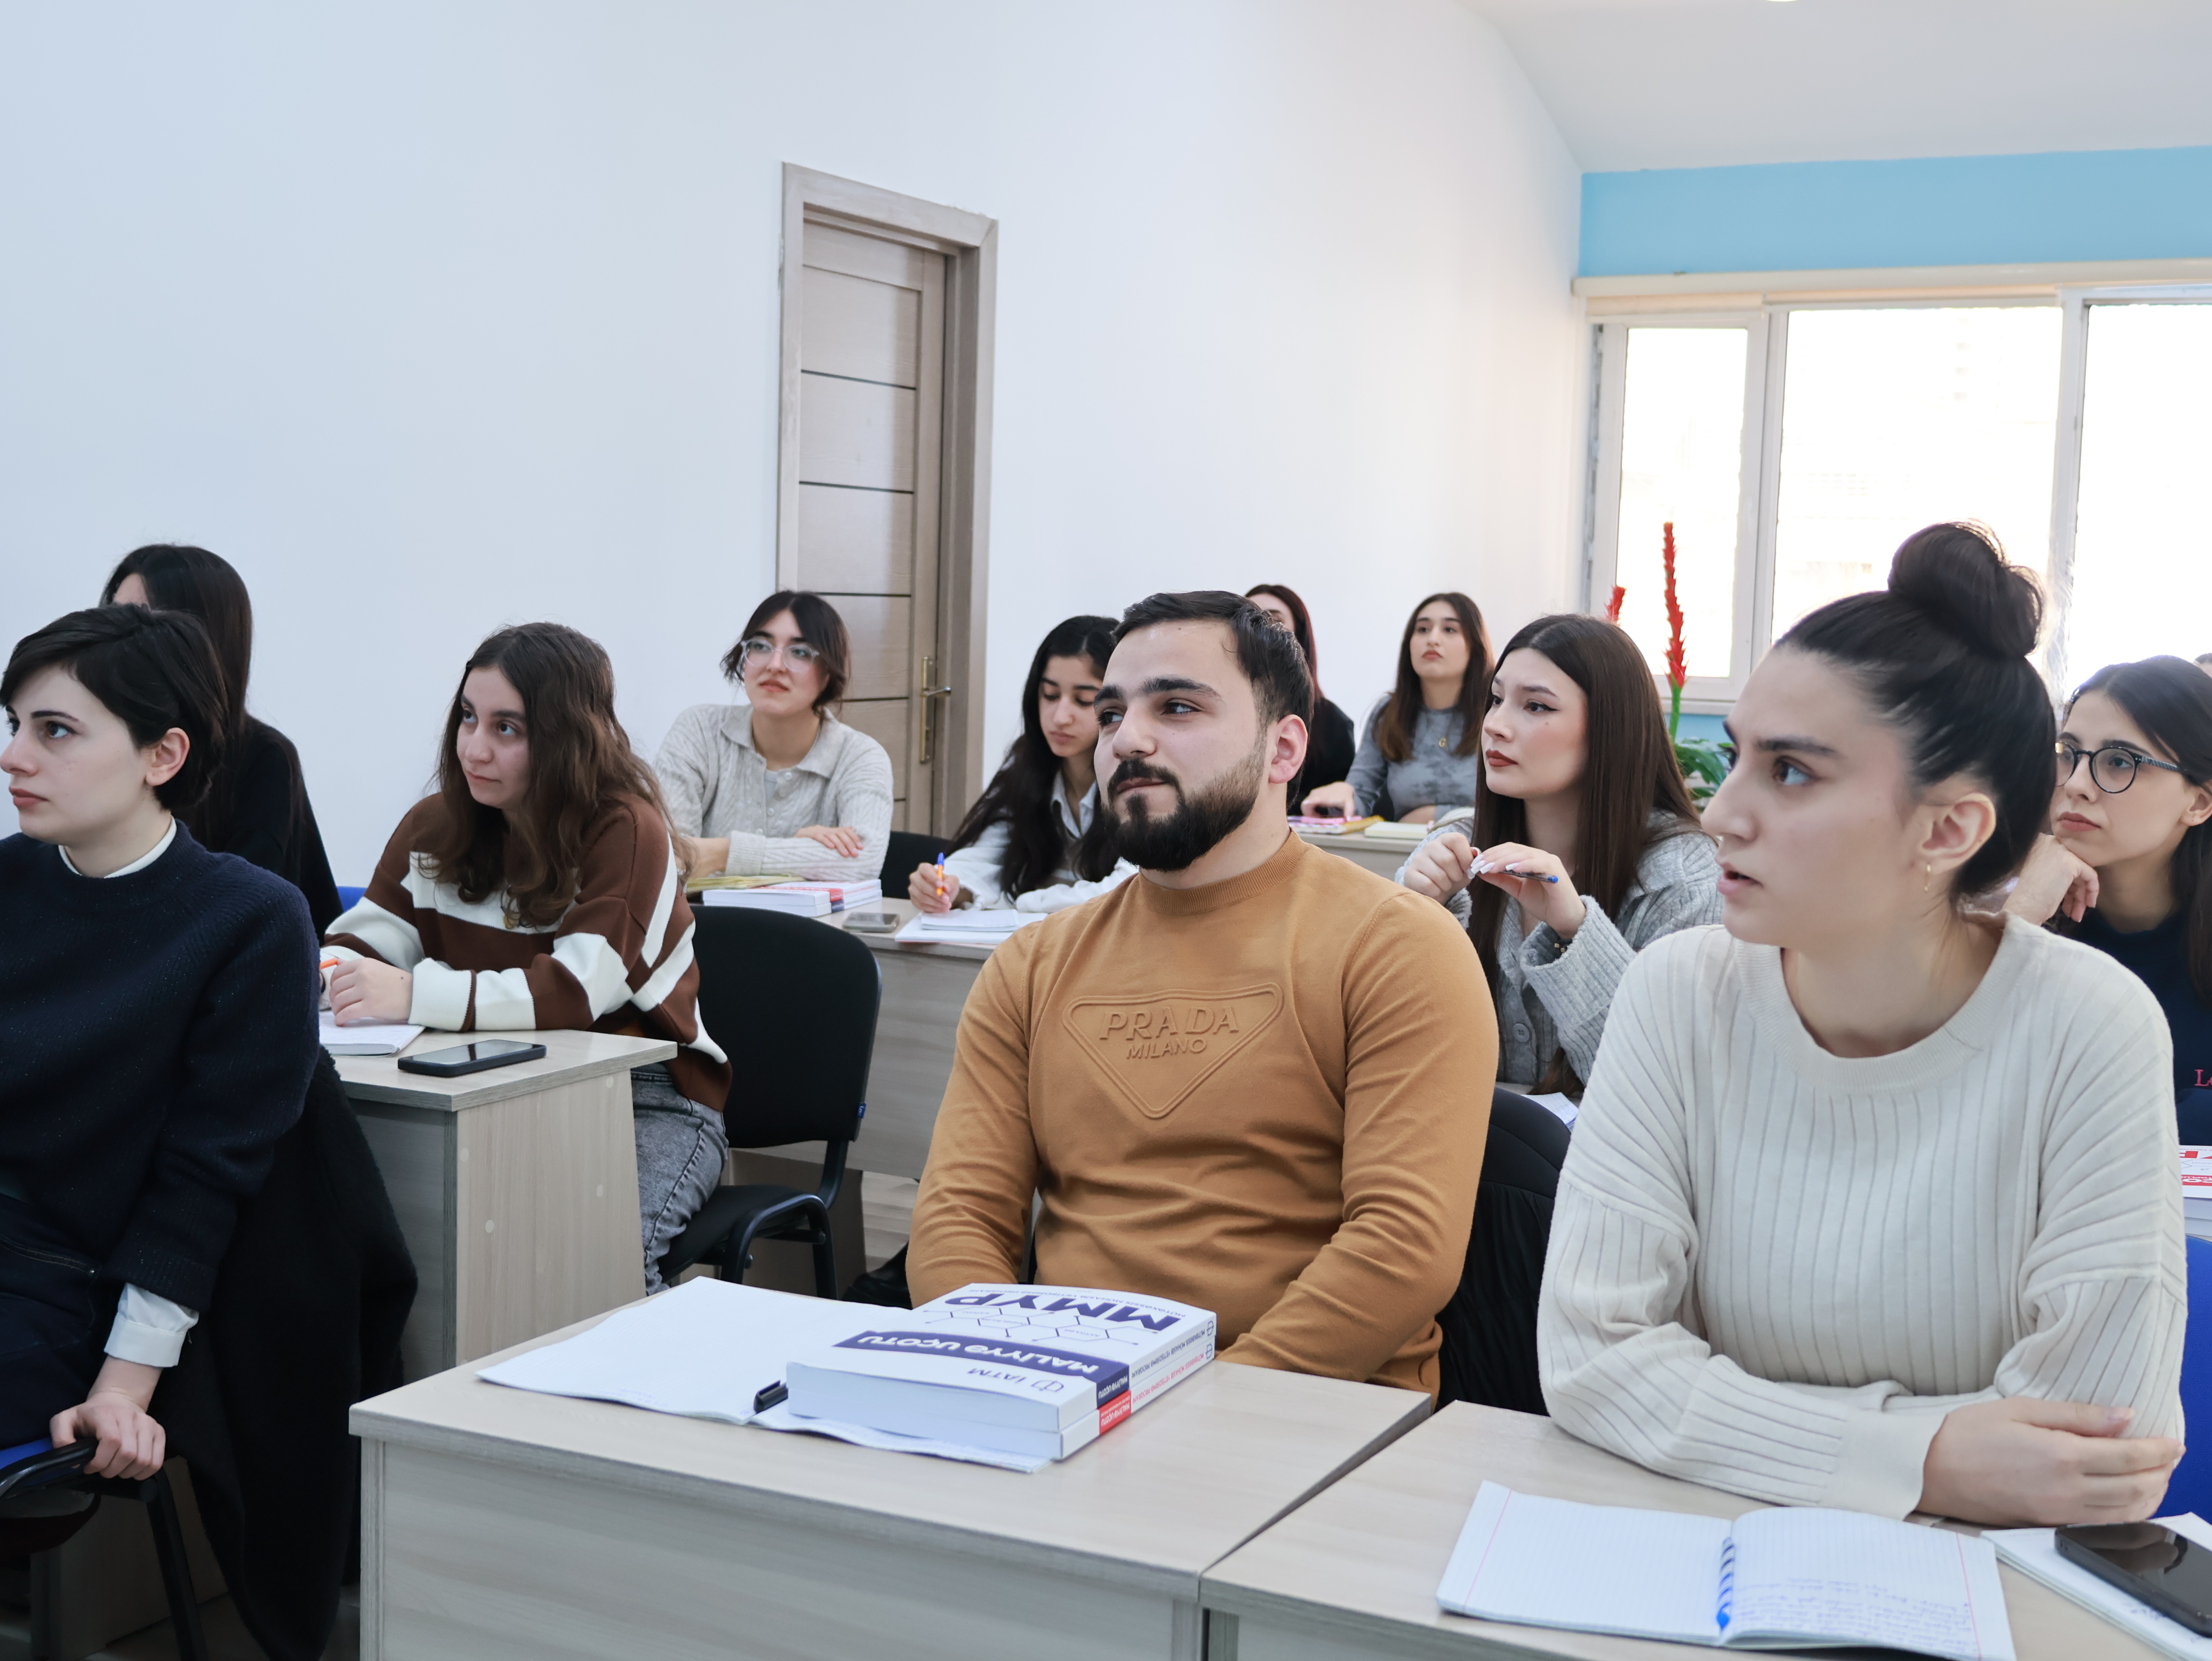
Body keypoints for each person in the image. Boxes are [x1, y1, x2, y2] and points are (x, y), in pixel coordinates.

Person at [1539, 523, 2185, 1528]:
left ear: (1949, 828)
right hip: (1699, 1550)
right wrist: (1926, 1457)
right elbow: (1592, 1359)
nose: (1722, 814)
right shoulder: (1678, 991)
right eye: (1737, 757)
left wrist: (1726, 1419)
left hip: (1986, 1586)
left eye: (1791, 772)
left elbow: (2091, 1443)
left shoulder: (2090, 1024)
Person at [910, 591, 1496, 1398]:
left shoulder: (1397, 947)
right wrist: (1002, 1380)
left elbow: (1403, 1250)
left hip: (1307, 1415)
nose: (1127, 738)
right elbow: (959, 1218)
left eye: (1177, 707)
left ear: (1283, 749)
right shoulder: (1032, 965)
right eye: (1112, 713)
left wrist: (1201, 1411)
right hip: (1059, 1402)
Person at [0, 605, 318, 1478]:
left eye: (55, 731)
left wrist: (124, 1386)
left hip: (59, 1283)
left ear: (163, 755)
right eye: (15, 725)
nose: (15, 756)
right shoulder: (10, 877)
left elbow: (203, 1180)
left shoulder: (249, 919)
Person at [321, 623, 732, 1291]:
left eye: (506, 728)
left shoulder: (626, 831)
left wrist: (413, 993)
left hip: (645, 1099)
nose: (474, 748)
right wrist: (330, 978)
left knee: (601, 1265)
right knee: (434, 1253)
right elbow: (353, 948)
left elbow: (573, 992)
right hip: (482, 1084)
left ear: (566, 738)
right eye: (468, 718)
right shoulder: (434, 825)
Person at [1399, 613, 1719, 1095]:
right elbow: (1386, 1047)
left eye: (1536, 706)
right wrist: (1415, 914)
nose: (1495, 726)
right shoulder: (1451, 852)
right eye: (1496, 699)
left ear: (1611, 728)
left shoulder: (1682, 878)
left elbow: (1664, 1085)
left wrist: (1576, 929)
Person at [2004, 657, 2212, 1139]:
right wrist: (2020, 917)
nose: (2076, 785)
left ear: (2199, 802)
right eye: (2069, 753)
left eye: (2120, 761)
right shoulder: (2018, 917)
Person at [101, 544, 343, 933]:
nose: (117, 638)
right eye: (113, 616)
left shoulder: (264, 757)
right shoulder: (103, 743)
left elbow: (241, 913)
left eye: (143, 618)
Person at [656, 591, 893, 885]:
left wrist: (721, 854)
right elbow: (666, 854)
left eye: (801, 652)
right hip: (703, 915)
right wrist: (798, 852)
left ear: (828, 674)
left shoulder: (860, 757)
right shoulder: (699, 730)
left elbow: (864, 862)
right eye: (761, 646)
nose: (775, 665)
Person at [910, 615, 1136, 914]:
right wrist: (949, 886)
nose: (1060, 717)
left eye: (1083, 700)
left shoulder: (1140, 776)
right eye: (1050, 695)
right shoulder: (1027, 764)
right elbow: (986, 854)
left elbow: (1128, 888)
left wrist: (1026, 904)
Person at [1302, 591, 1489, 823]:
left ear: (1475, 645)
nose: (1433, 639)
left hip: (1483, 844)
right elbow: (1361, 794)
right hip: (1407, 845)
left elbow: (1515, 806)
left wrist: (1437, 817)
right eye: (1423, 629)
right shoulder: (1389, 712)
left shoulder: (1495, 712)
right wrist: (1341, 798)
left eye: (1450, 630)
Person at [1245, 584, 1356, 809]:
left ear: (1298, 636)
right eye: (1249, 619)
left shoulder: (1333, 723)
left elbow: (1334, 805)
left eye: (1274, 620)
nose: (1258, 628)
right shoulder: (1213, 710)